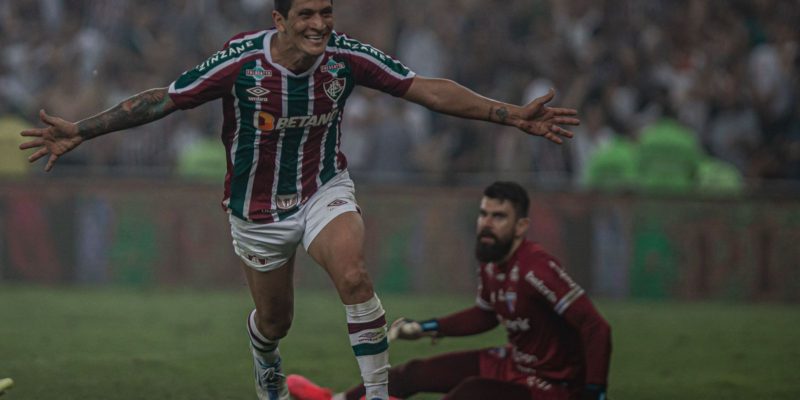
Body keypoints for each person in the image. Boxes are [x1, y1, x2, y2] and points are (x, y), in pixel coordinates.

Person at [17, 1, 580, 399]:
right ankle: (266, 363)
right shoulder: (240, 63)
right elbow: (161, 100)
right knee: (275, 319)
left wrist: (508, 113)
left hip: (323, 191)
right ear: (280, 20)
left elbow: (426, 88)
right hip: (255, 212)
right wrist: (83, 131)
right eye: (307, 15)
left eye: (326, 13)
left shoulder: (346, 58)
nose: (319, 25)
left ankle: (378, 395)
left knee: (355, 278)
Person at [288, 181, 612, 400]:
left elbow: (596, 327)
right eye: (484, 214)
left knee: (471, 392)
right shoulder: (492, 258)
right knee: (411, 373)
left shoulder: (536, 268)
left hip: (555, 384)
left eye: (499, 217)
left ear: (521, 227)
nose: (486, 223)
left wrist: (594, 390)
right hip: (516, 364)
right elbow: (485, 316)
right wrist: (427, 327)